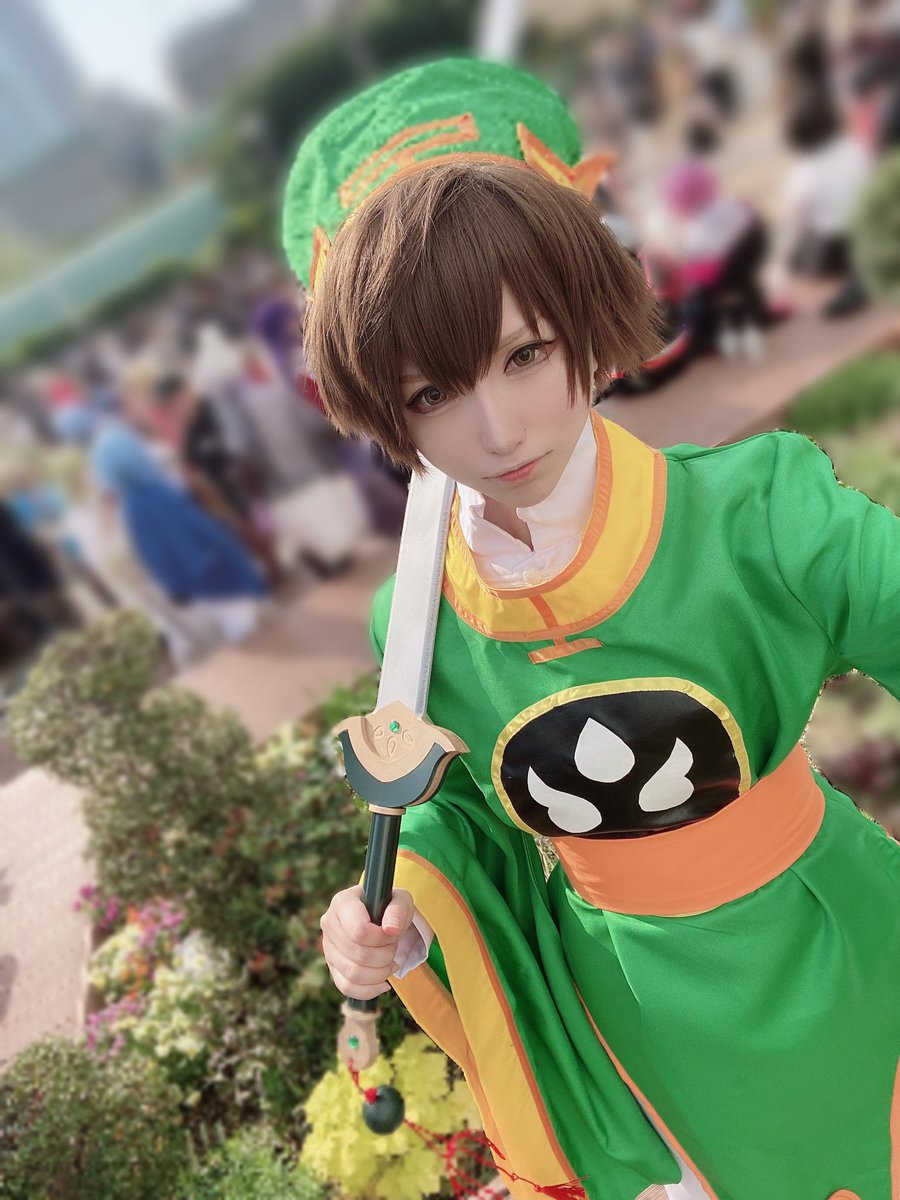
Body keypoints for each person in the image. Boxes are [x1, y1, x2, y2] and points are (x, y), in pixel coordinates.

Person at [286, 59, 900, 1200]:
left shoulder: (758, 510)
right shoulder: (415, 619)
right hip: (623, 1012)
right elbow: (462, 813)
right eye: (432, 394)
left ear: (584, 317)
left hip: (830, 950)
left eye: (524, 354)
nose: (498, 428)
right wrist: (395, 913)